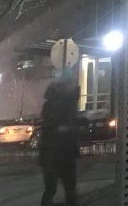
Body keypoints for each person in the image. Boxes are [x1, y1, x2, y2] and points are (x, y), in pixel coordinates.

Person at [39, 77, 79, 206]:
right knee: (62, 188)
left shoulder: (58, 104)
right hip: (56, 154)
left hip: (56, 154)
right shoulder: (59, 105)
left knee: (62, 188)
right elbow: (58, 126)